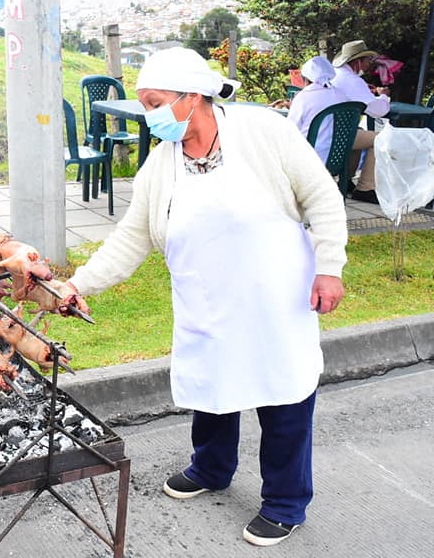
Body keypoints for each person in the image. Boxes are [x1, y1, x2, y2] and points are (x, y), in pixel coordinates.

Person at [59, 48, 348, 547]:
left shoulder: (265, 134)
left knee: (283, 393)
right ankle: (211, 468)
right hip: (206, 300)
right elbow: (131, 238)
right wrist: (76, 284)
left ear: (193, 96)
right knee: (213, 388)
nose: (149, 115)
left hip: (273, 298)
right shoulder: (161, 164)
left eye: (154, 103)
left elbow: (322, 198)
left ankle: (285, 501)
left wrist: (329, 268)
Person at [331, 40, 392, 204]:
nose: (368, 64)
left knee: (356, 131)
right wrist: (384, 96)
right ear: (357, 61)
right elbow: (378, 110)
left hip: (328, 131)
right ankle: (365, 187)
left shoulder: (334, 74)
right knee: (381, 138)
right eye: (366, 60)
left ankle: (346, 180)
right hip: (337, 134)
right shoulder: (352, 80)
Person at [287, 55, 346, 164]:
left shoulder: (303, 97)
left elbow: (290, 129)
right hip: (336, 159)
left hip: (307, 160)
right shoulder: (341, 94)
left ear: (305, 78)